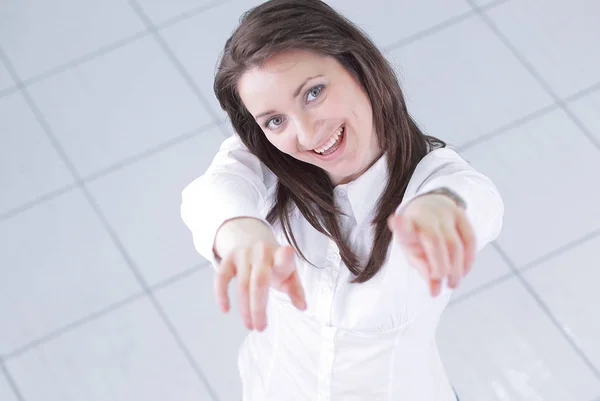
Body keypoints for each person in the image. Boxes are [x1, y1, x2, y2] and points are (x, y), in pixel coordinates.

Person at [181, 0, 504, 400]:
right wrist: (239, 231)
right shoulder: (265, 160)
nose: (306, 133)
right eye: (275, 120)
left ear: (358, 67)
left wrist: (438, 209)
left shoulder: (435, 178)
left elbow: (475, 201)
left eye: (313, 93)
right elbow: (211, 194)